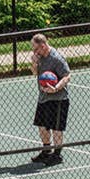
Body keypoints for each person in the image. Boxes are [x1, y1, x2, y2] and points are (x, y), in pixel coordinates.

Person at [30, 33, 71, 165]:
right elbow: (35, 73)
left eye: (35, 48)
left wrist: (56, 88)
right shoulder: (39, 57)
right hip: (43, 97)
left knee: (56, 128)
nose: (34, 51)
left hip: (58, 98)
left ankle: (57, 155)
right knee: (42, 126)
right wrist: (34, 63)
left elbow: (67, 76)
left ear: (43, 46)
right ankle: (47, 150)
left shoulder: (56, 58)